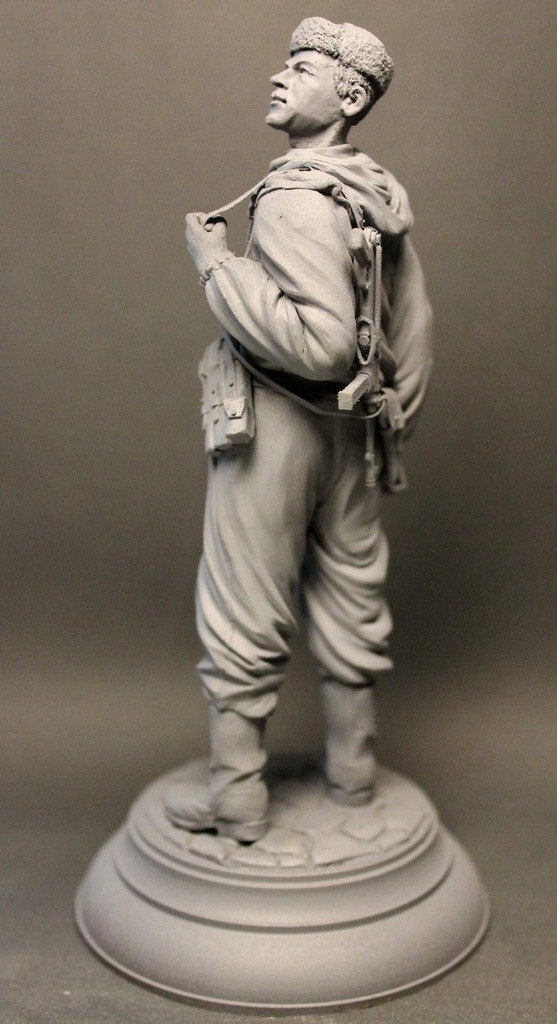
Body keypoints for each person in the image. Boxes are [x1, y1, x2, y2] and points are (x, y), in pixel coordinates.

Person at [166, 17, 433, 842]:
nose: (278, 78)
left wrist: (216, 265)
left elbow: (318, 348)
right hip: (355, 432)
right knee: (351, 597)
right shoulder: (372, 192)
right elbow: (414, 321)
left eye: (302, 69)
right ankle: (352, 774)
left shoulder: (291, 196)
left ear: (346, 96)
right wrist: (394, 414)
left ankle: (237, 798)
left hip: (278, 426)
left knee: (243, 602)